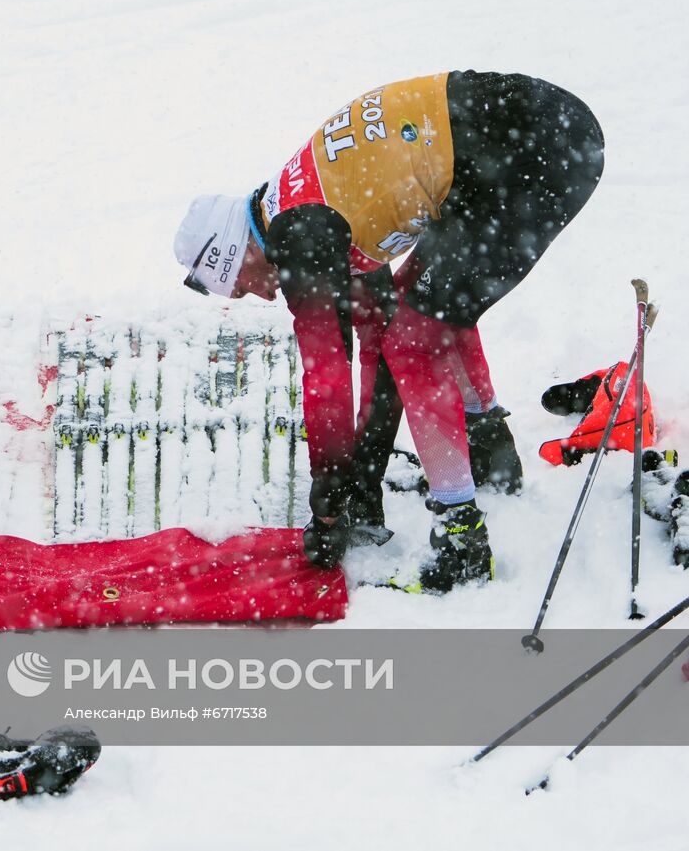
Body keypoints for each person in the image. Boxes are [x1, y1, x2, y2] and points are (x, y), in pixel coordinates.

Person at [174, 71, 604, 592]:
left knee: (416, 336)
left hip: (534, 150)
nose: (253, 296)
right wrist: (361, 483)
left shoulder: (300, 234)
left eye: (239, 286)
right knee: (418, 301)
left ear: (233, 253)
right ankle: (492, 456)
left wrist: (328, 511)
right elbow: (376, 337)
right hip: (536, 137)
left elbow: (326, 384)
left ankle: (461, 535)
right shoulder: (303, 207)